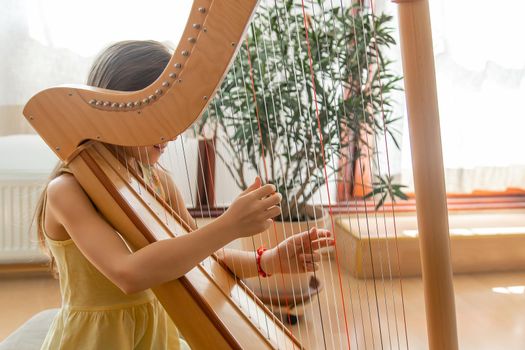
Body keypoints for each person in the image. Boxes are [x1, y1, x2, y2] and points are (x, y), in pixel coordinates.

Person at [34, 40, 333, 349]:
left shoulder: (158, 180)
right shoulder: (66, 191)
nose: (173, 135)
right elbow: (128, 274)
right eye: (160, 119)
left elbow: (203, 260)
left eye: (175, 119)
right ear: (118, 114)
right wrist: (228, 224)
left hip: (155, 339)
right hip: (95, 341)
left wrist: (270, 260)